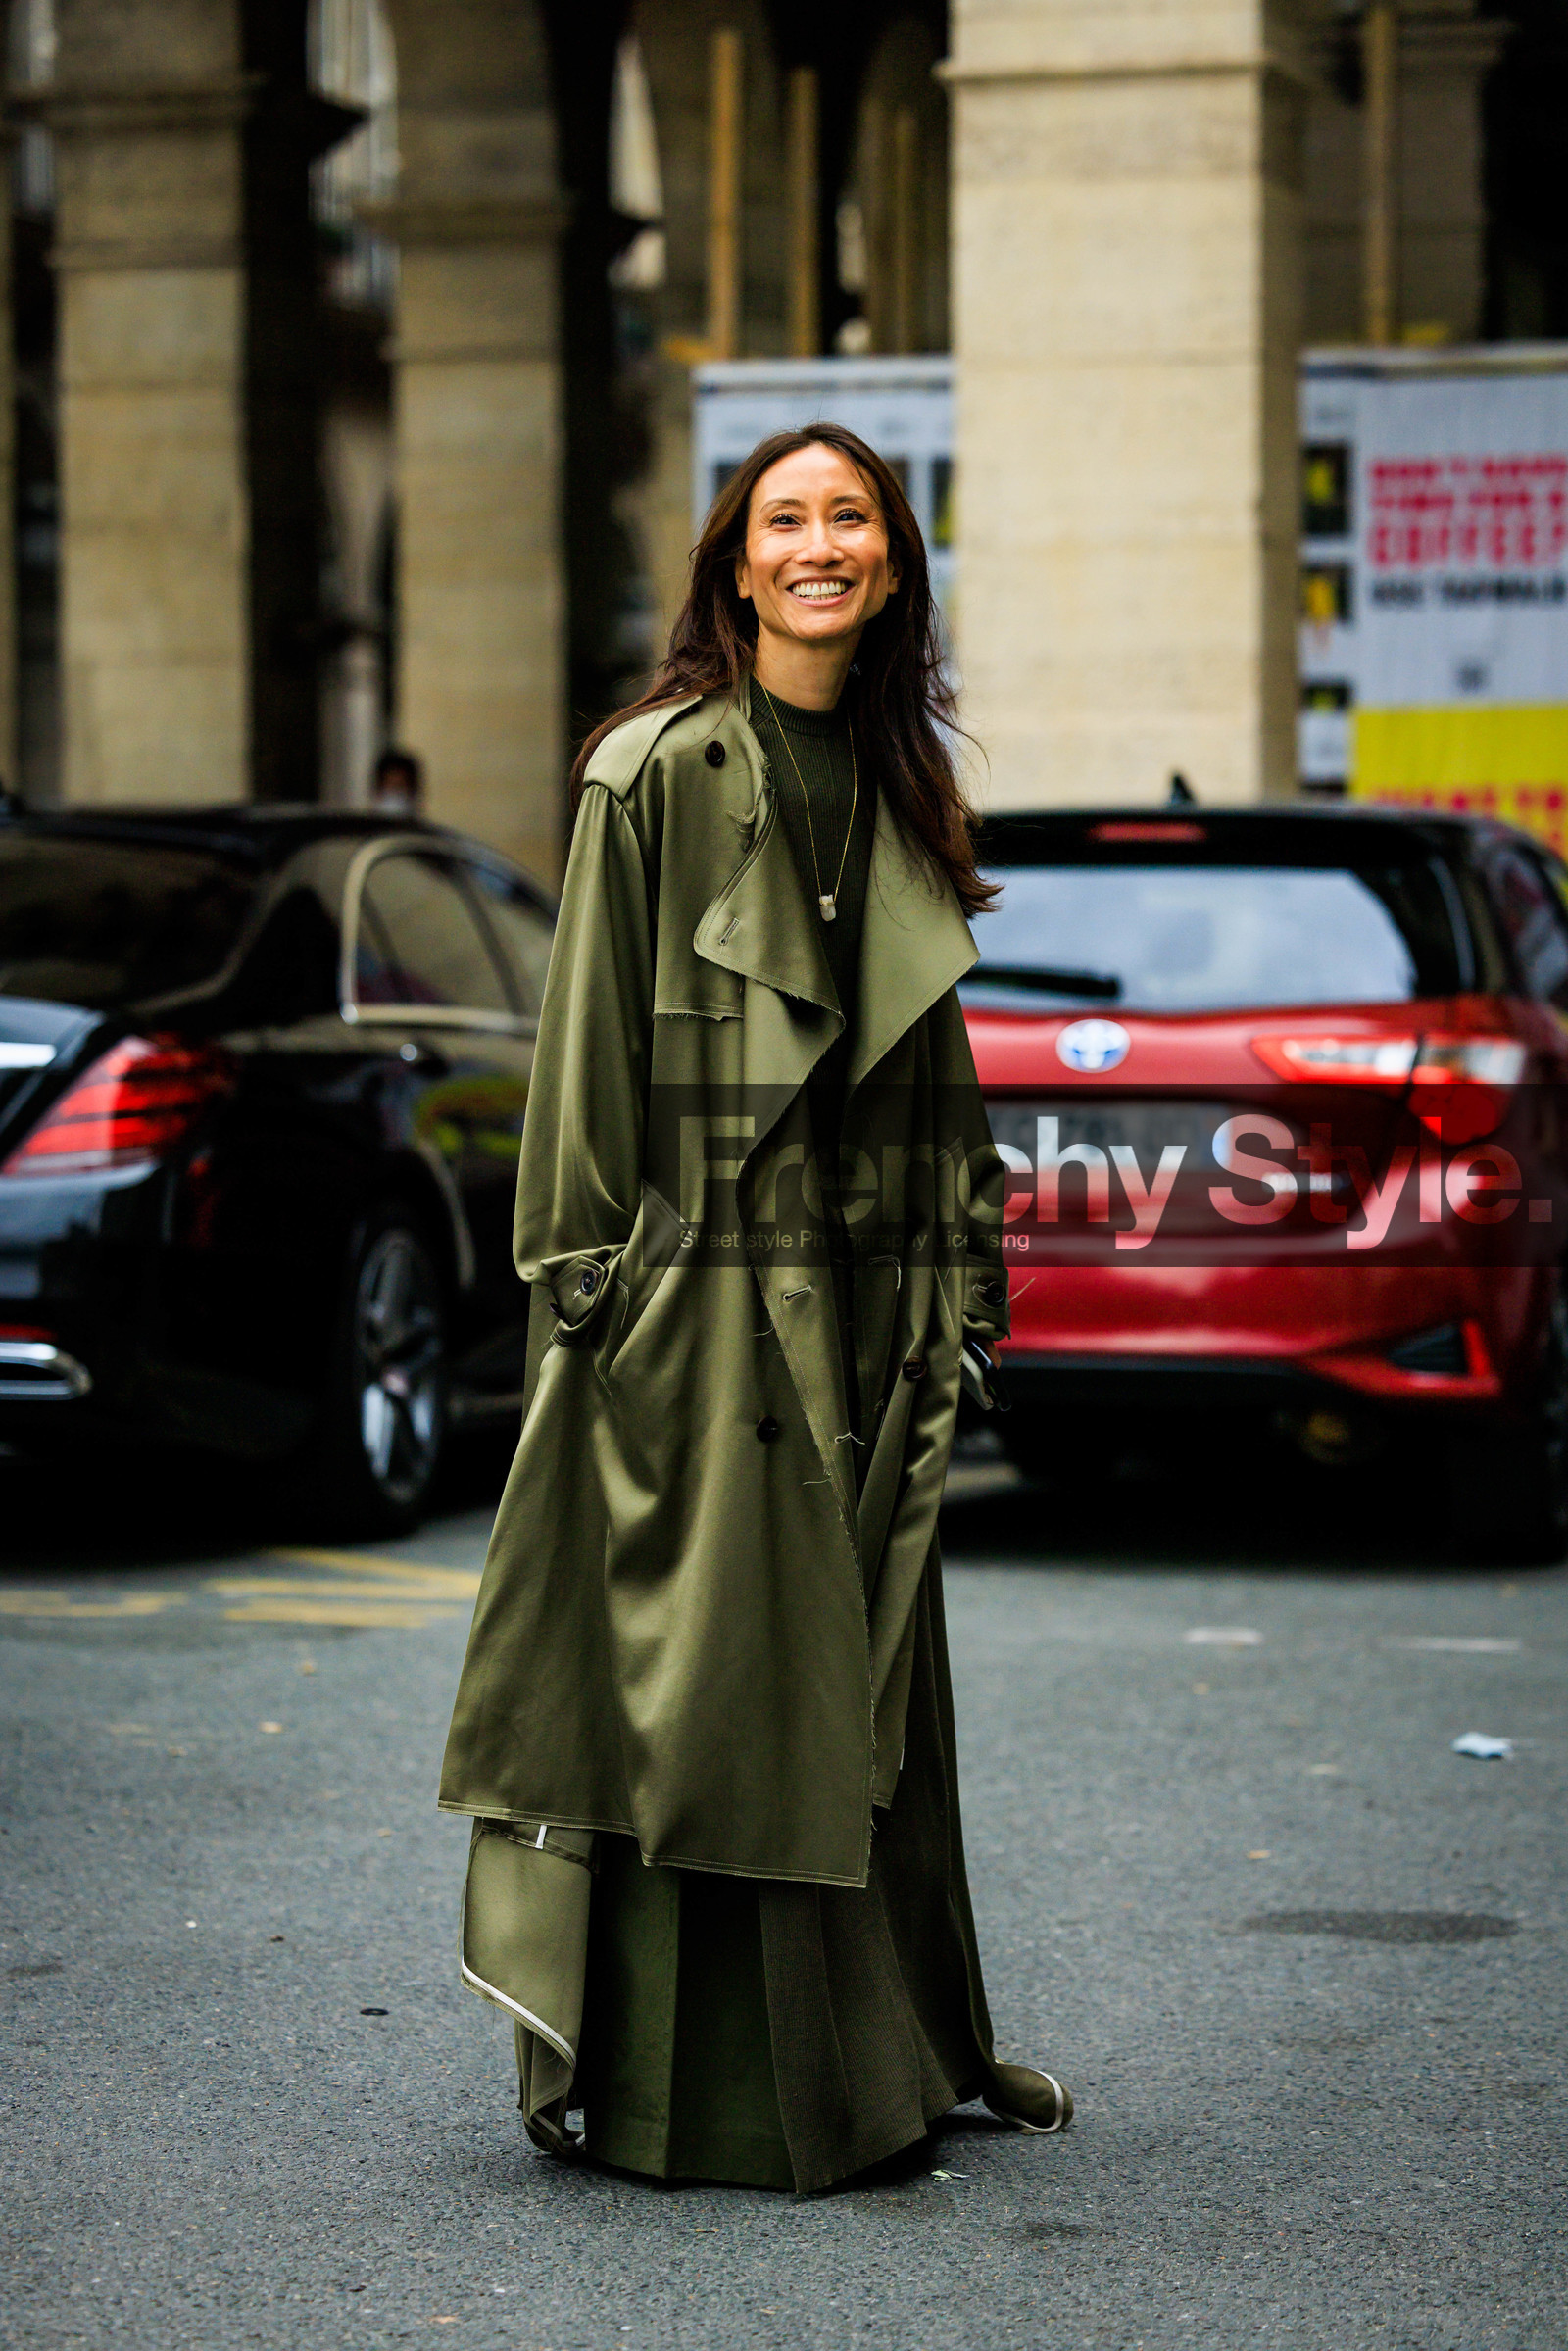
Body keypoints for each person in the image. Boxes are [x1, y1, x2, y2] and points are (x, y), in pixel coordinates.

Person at [439, 423, 1072, 2194]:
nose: (817, 545)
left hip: (868, 1303)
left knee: (865, 1666)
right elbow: (585, 1059)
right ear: (736, 564)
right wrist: (591, 1299)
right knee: (710, 1678)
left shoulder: (892, 773)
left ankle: (906, 2046)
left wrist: (962, 1272)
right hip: (702, 1304)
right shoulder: (649, 772)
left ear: (889, 562)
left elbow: (925, 1060)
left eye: (848, 518)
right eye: (785, 519)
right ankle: (694, 2093)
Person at [369, 746, 424, 817]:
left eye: (400, 787)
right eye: (390, 787)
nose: (395, 793)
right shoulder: (358, 827)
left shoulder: (423, 828)